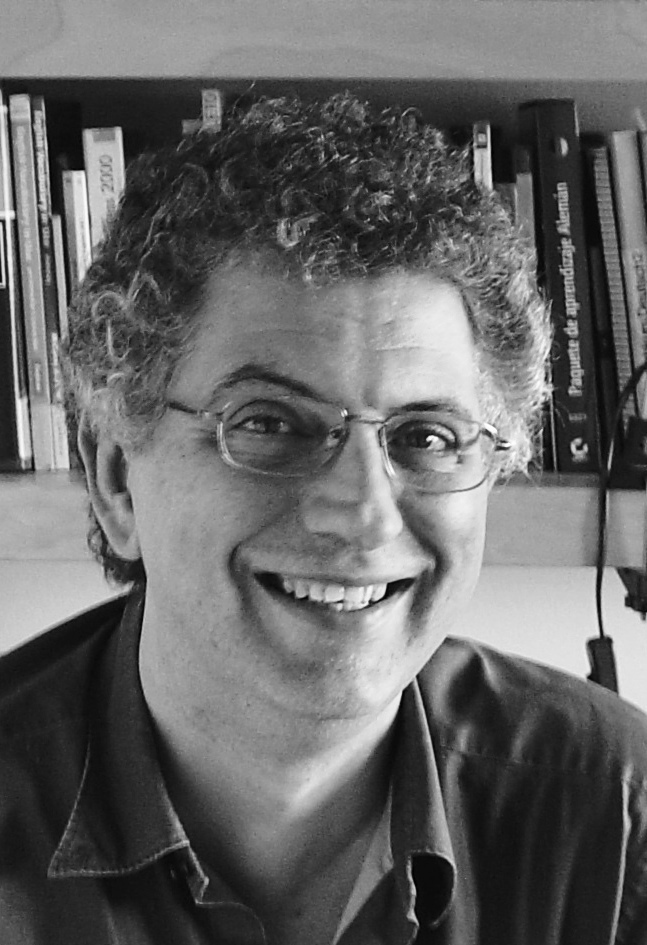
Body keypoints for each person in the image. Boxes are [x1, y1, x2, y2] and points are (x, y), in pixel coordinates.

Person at [1, 91, 646, 945]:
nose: (362, 515)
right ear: (117, 477)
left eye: (426, 436)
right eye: (268, 424)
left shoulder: (617, 816)